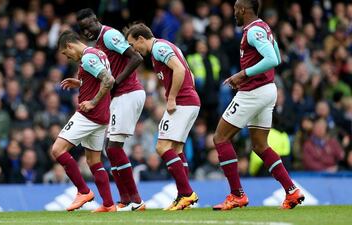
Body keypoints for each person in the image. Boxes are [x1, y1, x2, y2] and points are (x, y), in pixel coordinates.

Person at [211, 0, 304, 211]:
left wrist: (243, 73)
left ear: (243, 10)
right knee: (260, 145)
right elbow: (278, 56)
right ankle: (291, 191)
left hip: (253, 92)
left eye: (235, 9)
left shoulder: (253, 31)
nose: (234, 13)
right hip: (268, 90)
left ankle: (237, 195)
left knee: (220, 138)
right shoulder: (265, 27)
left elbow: (272, 59)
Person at [76, 8, 146, 211]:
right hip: (120, 95)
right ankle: (125, 200)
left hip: (128, 92)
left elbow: (136, 58)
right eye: (83, 29)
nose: (87, 31)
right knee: (110, 148)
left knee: (114, 148)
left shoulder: (109, 35)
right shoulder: (98, 43)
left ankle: (136, 200)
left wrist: (116, 83)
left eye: (89, 26)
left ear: (96, 21)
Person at [125, 23, 200, 210]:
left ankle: (187, 193)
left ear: (141, 39)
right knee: (177, 149)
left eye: (134, 45)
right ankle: (184, 196)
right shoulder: (164, 47)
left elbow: (180, 70)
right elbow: (187, 71)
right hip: (189, 100)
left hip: (182, 101)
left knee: (162, 147)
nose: (135, 50)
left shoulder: (159, 48)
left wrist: (173, 97)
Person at [52, 30, 116, 213]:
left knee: (57, 150)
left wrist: (93, 102)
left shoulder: (88, 58)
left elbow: (108, 80)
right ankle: (109, 204)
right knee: (94, 161)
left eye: (66, 53)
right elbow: (98, 79)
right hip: (102, 116)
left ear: (70, 45)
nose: (67, 57)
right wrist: (81, 83)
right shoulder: (99, 53)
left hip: (89, 114)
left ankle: (83, 191)